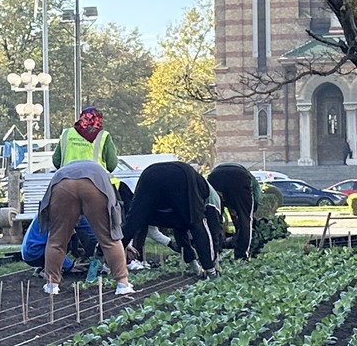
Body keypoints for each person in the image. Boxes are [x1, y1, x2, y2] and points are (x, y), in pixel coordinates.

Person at [35, 160, 132, 295]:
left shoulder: (64, 164)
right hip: (95, 182)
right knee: (109, 238)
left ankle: (52, 285)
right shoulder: (99, 169)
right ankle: (123, 284)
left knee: (56, 240)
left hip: (62, 183)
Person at [124, 160, 221, 276]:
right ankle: (211, 271)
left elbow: (133, 222)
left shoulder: (206, 196)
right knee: (197, 225)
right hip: (181, 175)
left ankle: (107, 263)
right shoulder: (209, 199)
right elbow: (210, 232)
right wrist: (212, 262)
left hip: (150, 173)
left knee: (133, 221)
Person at [207, 163, 260, 261]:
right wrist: (248, 212)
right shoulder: (254, 186)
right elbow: (254, 200)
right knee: (245, 219)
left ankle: (214, 253)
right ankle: (242, 255)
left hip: (214, 176)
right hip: (238, 177)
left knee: (213, 217)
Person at [58, 105, 118, 175]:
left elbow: (56, 161)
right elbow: (111, 164)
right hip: (95, 178)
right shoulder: (103, 136)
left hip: (67, 176)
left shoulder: (67, 133)